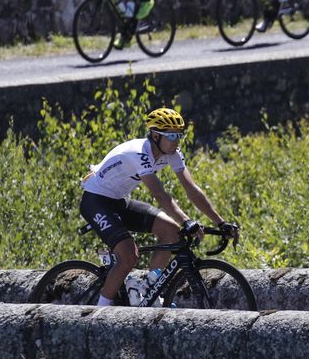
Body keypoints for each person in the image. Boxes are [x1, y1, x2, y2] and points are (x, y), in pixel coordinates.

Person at [79, 108, 238, 307]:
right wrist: (186, 221)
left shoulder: (171, 152)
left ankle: (148, 287)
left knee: (171, 231)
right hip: (96, 201)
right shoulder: (139, 153)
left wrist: (220, 222)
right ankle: (101, 312)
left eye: (180, 135)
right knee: (128, 255)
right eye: (172, 136)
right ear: (155, 135)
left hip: (119, 201)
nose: (177, 140)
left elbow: (192, 189)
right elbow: (160, 195)